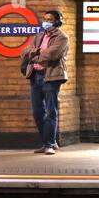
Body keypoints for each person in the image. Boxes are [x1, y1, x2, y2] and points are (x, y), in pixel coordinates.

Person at [21, 9, 69, 155]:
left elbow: (51, 55)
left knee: (50, 112)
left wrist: (34, 55)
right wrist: (34, 53)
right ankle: (48, 141)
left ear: (57, 22)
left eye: (50, 19)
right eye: (45, 19)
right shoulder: (39, 36)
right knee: (37, 112)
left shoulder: (62, 38)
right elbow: (25, 52)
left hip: (51, 77)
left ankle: (49, 144)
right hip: (35, 76)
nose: (46, 22)